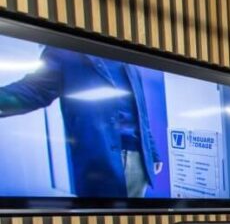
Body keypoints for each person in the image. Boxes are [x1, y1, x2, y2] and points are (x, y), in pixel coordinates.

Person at [0, 46, 162, 197]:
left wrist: (152, 152)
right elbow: (33, 91)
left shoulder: (129, 58)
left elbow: (140, 111)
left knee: (134, 223)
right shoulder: (65, 49)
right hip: (100, 161)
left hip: (139, 159)